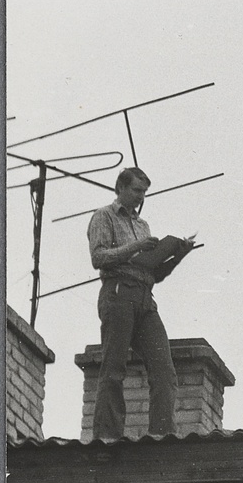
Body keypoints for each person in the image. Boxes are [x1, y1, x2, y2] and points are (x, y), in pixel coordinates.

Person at [87, 167, 195, 440]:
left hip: (145, 298)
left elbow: (154, 274)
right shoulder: (104, 216)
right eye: (136, 190)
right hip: (119, 293)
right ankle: (107, 438)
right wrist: (136, 247)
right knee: (114, 368)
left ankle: (161, 437)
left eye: (144, 192)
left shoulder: (142, 225)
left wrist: (178, 254)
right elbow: (98, 258)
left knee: (164, 371)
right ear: (121, 188)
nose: (140, 197)